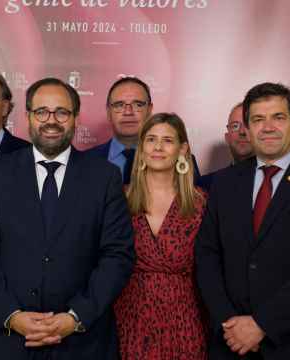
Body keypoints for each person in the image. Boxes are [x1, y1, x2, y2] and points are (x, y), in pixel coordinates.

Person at [0, 77, 135, 359]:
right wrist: (12, 315)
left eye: (62, 112)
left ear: (76, 118)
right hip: (10, 341)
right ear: (28, 117)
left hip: (82, 342)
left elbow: (118, 256)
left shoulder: (104, 177)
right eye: (42, 112)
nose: (51, 121)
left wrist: (75, 317)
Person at [195, 82, 290, 359]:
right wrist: (229, 323)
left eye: (278, 117)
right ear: (247, 128)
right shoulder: (225, 183)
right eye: (258, 119)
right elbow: (207, 255)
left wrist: (262, 325)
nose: (267, 127)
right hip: (232, 343)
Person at [114, 112, 207, 359]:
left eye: (167, 140)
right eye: (151, 139)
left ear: (182, 149)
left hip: (185, 319)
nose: (158, 147)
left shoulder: (201, 203)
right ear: (141, 148)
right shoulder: (118, 199)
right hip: (129, 318)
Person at [86, 77, 200, 184]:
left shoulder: (181, 160)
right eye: (119, 105)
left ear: (150, 110)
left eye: (138, 105)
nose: (128, 112)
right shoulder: (86, 161)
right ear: (108, 112)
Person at [197, 102, 254, 190]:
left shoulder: (278, 181)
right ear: (227, 138)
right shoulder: (205, 185)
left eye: (248, 125)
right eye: (235, 126)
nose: (242, 132)